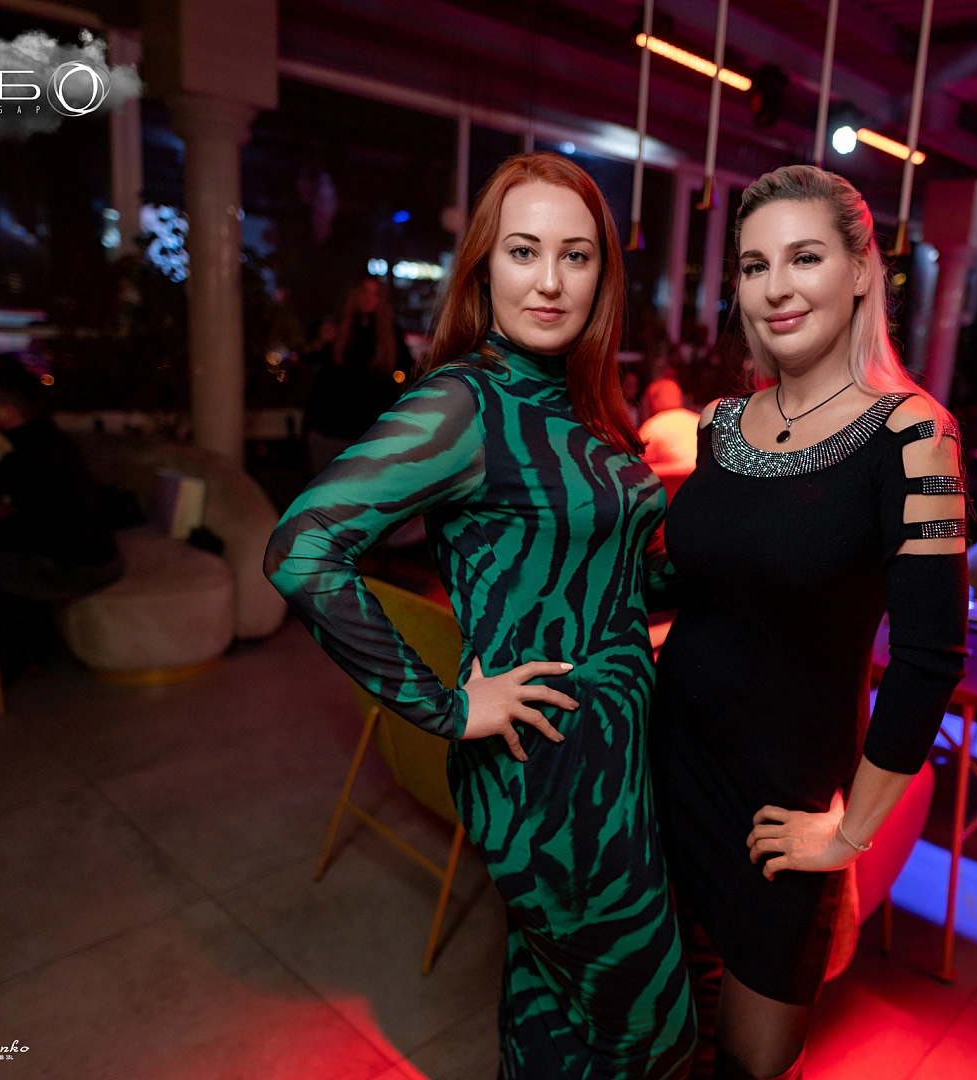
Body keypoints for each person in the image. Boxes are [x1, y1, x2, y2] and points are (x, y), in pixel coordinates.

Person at [264, 153, 694, 1078]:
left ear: (602, 276)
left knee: (553, 1012)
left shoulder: (582, 402)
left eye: (576, 255)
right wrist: (448, 708)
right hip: (549, 776)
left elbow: (620, 578)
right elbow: (301, 550)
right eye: (523, 251)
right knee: (652, 1036)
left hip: (617, 758)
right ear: (483, 268)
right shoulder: (464, 401)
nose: (550, 280)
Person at [654, 165, 968, 1080]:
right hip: (663, 766)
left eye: (803, 257)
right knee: (657, 1033)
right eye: (755, 266)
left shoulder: (914, 434)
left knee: (752, 1061)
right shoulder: (719, 424)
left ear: (862, 270)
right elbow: (685, 582)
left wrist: (846, 835)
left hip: (779, 805)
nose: (775, 287)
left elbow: (928, 658)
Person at [0, 358, 123, 688]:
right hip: (78, 553)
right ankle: (14, 651)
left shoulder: (34, 450)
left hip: (82, 567)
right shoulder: (38, 439)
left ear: (8, 413)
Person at [301, 276, 409, 471]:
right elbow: (320, 374)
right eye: (364, 292)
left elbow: (406, 373)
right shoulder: (339, 330)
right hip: (335, 429)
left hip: (373, 432)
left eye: (375, 294)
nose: (369, 299)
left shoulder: (389, 335)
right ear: (355, 295)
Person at [639, 376, 701, 475]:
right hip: (707, 480)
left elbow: (632, 462)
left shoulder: (653, 425)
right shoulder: (699, 420)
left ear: (653, 400)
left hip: (674, 481)